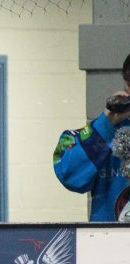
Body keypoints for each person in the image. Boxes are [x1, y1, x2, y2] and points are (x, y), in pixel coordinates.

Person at [53, 53, 130, 221]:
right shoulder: (105, 131)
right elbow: (71, 176)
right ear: (126, 86)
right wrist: (106, 124)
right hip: (109, 243)